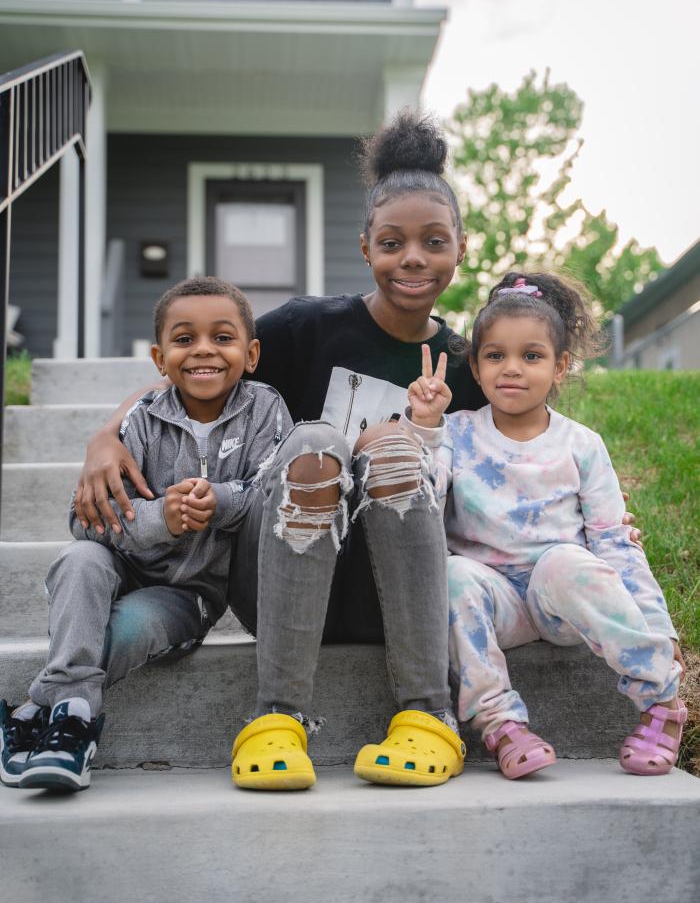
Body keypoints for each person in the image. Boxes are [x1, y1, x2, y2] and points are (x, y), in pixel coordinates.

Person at [71, 110, 485, 791]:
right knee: (316, 440)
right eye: (392, 242)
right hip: (279, 582)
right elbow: (187, 377)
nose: (413, 259)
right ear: (365, 247)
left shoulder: (466, 365)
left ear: (460, 250)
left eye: (433, 242)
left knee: (393, 445)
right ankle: (275, 716)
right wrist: (107, 434)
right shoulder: (303, 328)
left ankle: (427, 713)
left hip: (395, 589)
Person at [0, 277, 291, 791]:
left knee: (124, 628)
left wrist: (218, 500)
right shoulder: (139, 421)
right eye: (184, 339)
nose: (203, 349)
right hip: (122, 565)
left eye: (222, 338)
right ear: (160, 358)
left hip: (188, 594)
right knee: (79, 560)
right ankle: (76, 727)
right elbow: (82, 519)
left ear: (252, 353)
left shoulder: (266, 411)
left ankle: (37, 709)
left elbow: (269, 494)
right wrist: (161, 518)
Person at [403, 270, 686, 779]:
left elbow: (614, 542)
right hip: (494, 603)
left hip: (559, 603)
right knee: (453, 573)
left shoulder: (581, 444)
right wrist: (424, 426)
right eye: (496, 356)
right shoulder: (458, 433)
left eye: (531, 356)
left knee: (565, 560)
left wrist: (657, 627)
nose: (512, 369)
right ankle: (499, 724)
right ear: (476, 364)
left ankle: (661, 701)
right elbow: (420, 492)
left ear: (561, 367)